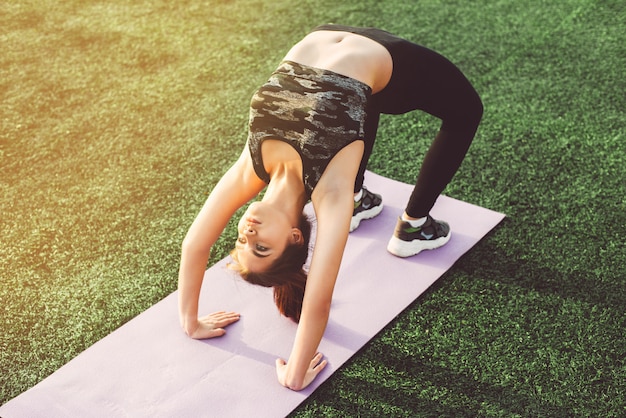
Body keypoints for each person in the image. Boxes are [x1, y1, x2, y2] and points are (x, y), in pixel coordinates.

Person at [177, 24, 483, 391]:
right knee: (467, 110)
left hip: (333, 33)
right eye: (261, 247)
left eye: (241, 243)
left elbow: (194, 244)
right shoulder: (330, 197)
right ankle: (414, 224)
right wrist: (294, 375)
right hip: (392, 63)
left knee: (358, 104)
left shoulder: (252, 166)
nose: (248, 235)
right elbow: (318, 301)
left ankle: (362, 198)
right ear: (294, 237)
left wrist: (190, 321)